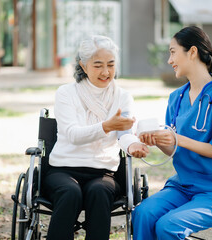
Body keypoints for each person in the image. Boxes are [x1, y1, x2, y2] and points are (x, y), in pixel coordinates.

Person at [132, 26, 212, 240]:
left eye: (173, 52)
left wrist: (178, 138)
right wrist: (158, 140)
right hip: (183, 185)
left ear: (192, 52)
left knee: (168, 226)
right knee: (142, 214)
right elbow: (175, 150)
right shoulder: (176, 98)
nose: (169, 59)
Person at [44, 35, 149, 240]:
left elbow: (125, 134)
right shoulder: (66, 93)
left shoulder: (123, 96)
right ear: (83, 65)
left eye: (111, 65)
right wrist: (107, 126)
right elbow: (73, 135)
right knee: (70, 192)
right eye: (98, 65)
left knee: (99, 192)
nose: (106, 72)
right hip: (63, 170)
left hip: (104, 172)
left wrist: (133, 145)